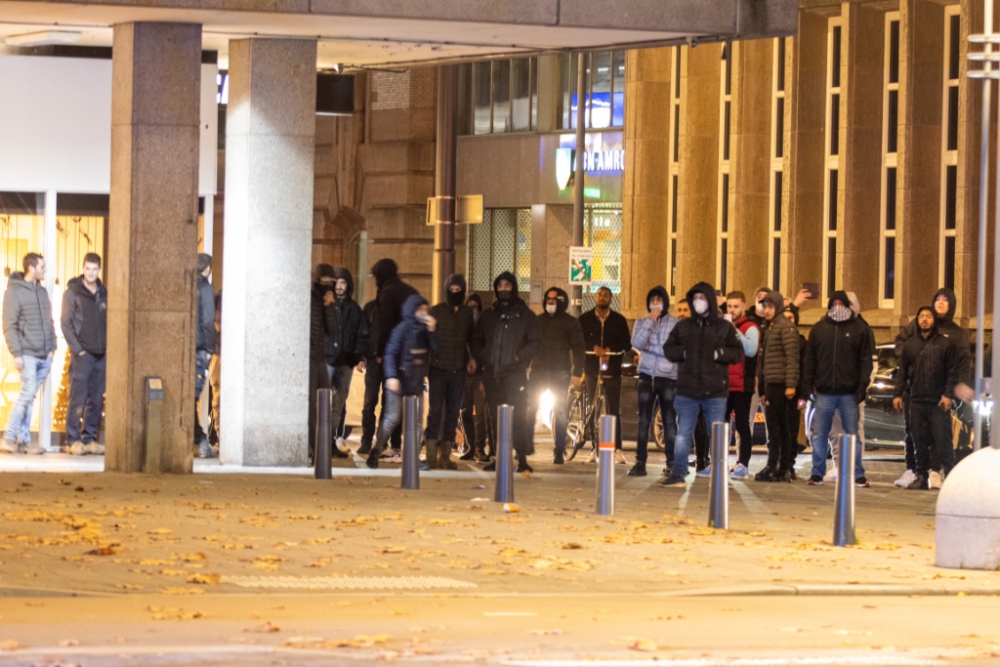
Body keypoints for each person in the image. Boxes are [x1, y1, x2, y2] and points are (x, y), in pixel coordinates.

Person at [661, 282, 744, 485]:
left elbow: (738, 352)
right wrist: (683, 353)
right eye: (695, 298)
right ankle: (679, 472)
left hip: (715, 391)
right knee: (683, 434)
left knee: (716, 432)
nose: (699, 302)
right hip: (687, 390)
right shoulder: (683, 326)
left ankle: (718, 471)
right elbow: (669, 349)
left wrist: (720, 353)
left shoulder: (724, 327)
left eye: (702, 298)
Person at [894, 288, 970, 489]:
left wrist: (954, 390)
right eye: (938, 299)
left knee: (940, 436)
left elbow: (959, 365)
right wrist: (912, 360)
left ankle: (939, 472)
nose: (941, 303)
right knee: (914, 434)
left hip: (939, 393)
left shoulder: (955, 335)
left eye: (946, 300)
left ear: (952, 305)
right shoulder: (917, 329)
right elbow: (902, 350)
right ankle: (916, 471)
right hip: (916, 392)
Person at [472, 272, 543, 473]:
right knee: (494, 417)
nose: (503, 288)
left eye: (507, 285)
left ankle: (521, 458)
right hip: (492, 374)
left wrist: (519, 357)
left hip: (515, 374)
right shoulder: (488, 315)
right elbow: (477, 340)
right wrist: (483, 356)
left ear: (514, 287)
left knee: (518, 415)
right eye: (500, 285)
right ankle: (498, 457)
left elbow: (536, 342)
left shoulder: (526, 315)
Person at [802, 290, 874, 487]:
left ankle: (857, 473)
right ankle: (817, 472)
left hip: (849, 393)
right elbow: (810, 360)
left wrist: (862, 385)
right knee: (819, 435)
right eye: (833, 303)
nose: (837, 307)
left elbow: (865, 360)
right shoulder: (819, 329)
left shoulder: (860, 329)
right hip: (824, 391)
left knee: (853, 435)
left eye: (841, 303)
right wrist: (808, 385)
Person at [366, 294, 436, 468]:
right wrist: (391, 376)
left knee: (418, 422)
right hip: (399, 381)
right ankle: (376, 450)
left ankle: (413, 457)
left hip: (416, 381)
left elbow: (435, 349)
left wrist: (432, 331)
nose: (424, 313)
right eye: (420, 309)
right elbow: (391, 353)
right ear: (412, 310)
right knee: (392, 418)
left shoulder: (425, 330)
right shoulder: (401, 329)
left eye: (426, 310)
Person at [0, 253, 57, 455]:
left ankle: (23, 440)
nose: (45, 269)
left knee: (29, 396)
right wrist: (16, 353)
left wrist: (52, 348)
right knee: (26, 394)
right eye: (42, 266)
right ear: (31, 268)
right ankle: (8, 437)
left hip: (45, 355)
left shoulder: (41, 292)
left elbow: (50, 321)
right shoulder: (14, 292)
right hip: (27, 354)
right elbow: (9, 326)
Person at [425, 275, 475, 470]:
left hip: (458, 370)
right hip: (438, 369)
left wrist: (472, 358)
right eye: (452, 289)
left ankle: (445, 456)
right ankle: (430, 455)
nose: (455, 293)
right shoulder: (436, 311)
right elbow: (426, 338)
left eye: (458, 290)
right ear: (446, 290)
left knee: (453, 413)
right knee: (435, 412)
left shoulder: (467, 313)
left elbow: (471, 338)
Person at [530, 286, 585, 464]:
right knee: (530, 408)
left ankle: (559, 450)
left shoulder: (570, 322)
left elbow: (578, 348)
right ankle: (525, 446)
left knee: (560, 411)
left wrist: (577, 373)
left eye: (554, 299)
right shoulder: (537, 321)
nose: (551, 302)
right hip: (538, 370)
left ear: (561, 301)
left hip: (560, 371)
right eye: (548, 299)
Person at [61, 253, 108, 456]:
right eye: (88, 268)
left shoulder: (104, 293)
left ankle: (89, 439)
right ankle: (73, 440)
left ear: (99, 270)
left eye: (94, 269)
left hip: (101, 353)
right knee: (78, 398)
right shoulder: (73, 293)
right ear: (83, 268)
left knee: (96, 398)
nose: (91, 273)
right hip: (83, 353)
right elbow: (66, 323)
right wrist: (77, 349)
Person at [628, 286, 678, 477]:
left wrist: (655, 345)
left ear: (665, 301)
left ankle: (671, 463)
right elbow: (637, 344)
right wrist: (650, 321)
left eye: (659, 300)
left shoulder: (674, 324)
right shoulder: (641, 322)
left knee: (668, 421)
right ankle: (640, 463)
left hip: (667, 377)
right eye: (652, 300)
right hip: (647, 376)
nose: (656, 303)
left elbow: (673, 349)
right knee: (643, 420)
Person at [579, 286, 631, 462]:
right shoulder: (584, 319)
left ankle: (617, 449)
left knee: (613, 409)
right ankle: (595, 448)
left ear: (610, 298)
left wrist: (610, 351)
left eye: (606, 295)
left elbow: (626, 344)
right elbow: (579, 341)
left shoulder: (619, 320)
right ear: (595, 297)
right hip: (592, 371)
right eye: (600, 294)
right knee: (594, 408)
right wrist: (593, 347)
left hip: (612, 372)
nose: (602, 297)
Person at [754, 291, 800, 482]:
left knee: (781, 427)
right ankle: (775, 465)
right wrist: (763, 390)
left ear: (778, 306)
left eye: (770, 306)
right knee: (774, 427)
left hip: (781, 384)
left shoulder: (786, 328)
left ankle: (782, 467)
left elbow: (792, 358)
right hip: (772, 384)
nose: (766, 310)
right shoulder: (770, 327)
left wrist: (790, 385)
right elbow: (764, 361)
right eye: (765, 306)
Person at [326, 267, 367, 456]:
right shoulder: (327, 306)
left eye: (343, 282)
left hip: (345, 362)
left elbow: (360, 335)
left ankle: (331, 440)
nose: (339, 286)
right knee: (323, 400)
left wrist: (356, 357)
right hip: (327, 360)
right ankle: (323, 441)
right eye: (337, 282)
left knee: (339, 402)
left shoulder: (354, 309)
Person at [725, 291, 760, 480]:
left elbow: (752, 350)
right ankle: (718, 461)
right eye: (729, 306)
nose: (732, 310)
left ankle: (743, 464)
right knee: (720, 424)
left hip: (742, 384)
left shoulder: (750, 327)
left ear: (743, 307)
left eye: (736, 306)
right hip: (724, 384)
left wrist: (734, 331)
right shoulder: (724, 326)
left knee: (742, 425)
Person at [308, 265, 335, 461]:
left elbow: (332, 330)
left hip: (320, 357)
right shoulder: (308, 298)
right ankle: (315, 447)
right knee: (311, 405)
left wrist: (330, 307)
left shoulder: (324, 301)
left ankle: (322, 447)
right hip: (308, 357)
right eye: (323, 282)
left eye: (330, 283)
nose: (327, 286)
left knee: (324, 401)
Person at [461, 294, 492, 462]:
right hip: (463, 376)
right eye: (469, 305)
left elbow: (487, 353)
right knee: (465, 413)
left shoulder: (484, 328)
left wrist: (485, 376)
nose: (472, 307)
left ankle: (480, 448)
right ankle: (471, 447)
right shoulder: (462, 326)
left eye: (475, 305)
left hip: (479, 375)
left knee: (480, 415)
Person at [194, 253, 217, 458]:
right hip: (201, 348)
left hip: (187, 348)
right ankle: (201, 441)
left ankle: (200, 440)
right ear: (208, 269)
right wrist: (210, 349)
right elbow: (208, 321)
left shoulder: (187, 285)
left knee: (189, 397)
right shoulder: (206, 289)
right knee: (192, 396)